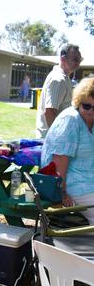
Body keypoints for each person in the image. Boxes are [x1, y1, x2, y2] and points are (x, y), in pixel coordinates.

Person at [41, 77, 94, 224]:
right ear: (78, 102)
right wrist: (62, 193)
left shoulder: (91, 122)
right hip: (74, 186)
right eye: (87, 106)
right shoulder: (71, 119)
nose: (91, 111)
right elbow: (59, 160)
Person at [37, 43, 82, 138]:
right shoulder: (58, 79)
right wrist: (59, 137)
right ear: (63, 59)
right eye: (75, 60)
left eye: (79, 60)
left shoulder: (64, 78)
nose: (78, 63)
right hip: (53, 140)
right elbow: (49, 112)